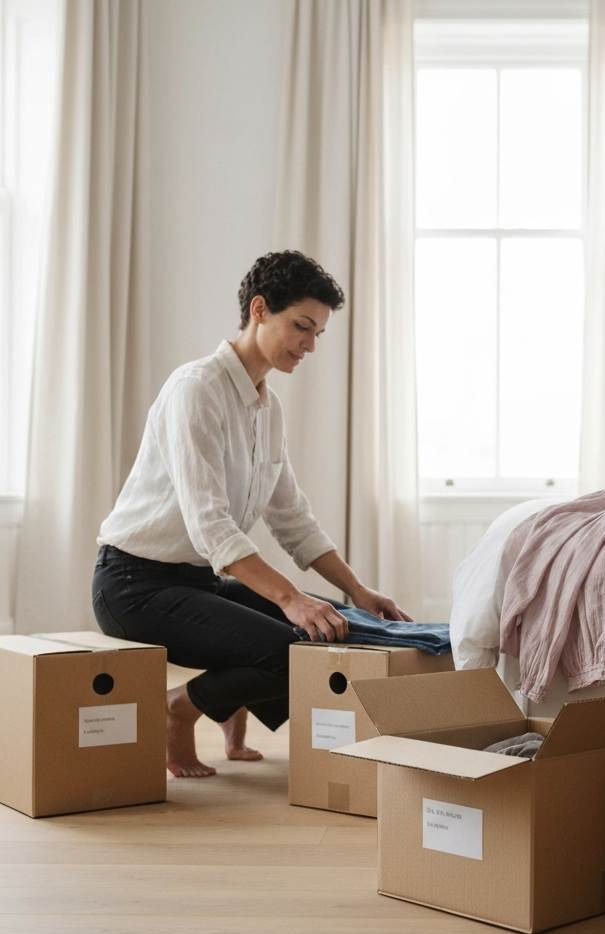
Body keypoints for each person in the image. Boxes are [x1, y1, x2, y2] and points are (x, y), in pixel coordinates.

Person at [93, 251, 411, 779]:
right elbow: (210, 525)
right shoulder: (196, 389)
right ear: (260, 310)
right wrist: (289, 598)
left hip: (196, 582)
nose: (309, 345)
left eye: (318, 334)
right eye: (301, 327)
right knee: (293, 641)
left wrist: (358, 592)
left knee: (333, 626)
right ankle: (178, 710)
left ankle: (230, 718)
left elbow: (294, 519)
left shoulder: (269, 408)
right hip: (133, 586)